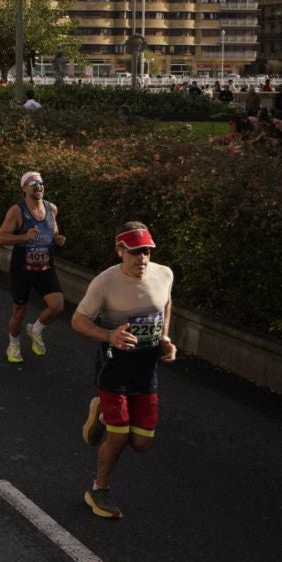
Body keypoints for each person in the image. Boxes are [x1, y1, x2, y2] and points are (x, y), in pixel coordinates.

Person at [71, 223, 176, 520]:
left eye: (146, 251)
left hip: (146, 369)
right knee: (117, 438)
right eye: (134, 252)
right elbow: (78, 320)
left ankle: (101, 412)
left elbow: (166, 302)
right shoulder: (105, 283)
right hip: (114, 367)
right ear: (120, 252)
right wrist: (109, 336)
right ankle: (98, 489)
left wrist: (165, 337)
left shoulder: (164, 274)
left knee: (142, 442)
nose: (142, 258)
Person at [0, 171, 66, 364]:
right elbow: (0, 238)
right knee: (19, 312)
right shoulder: (17, 211)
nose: (38, 186)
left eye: (40, 183)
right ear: (23, 188)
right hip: (22, 269)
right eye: (32, 183)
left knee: (57, 306)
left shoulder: (52, 209)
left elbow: (54, 232)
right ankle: (14, 344)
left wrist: (58, 239)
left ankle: (35, 329)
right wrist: (23, 237)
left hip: (45, 268)